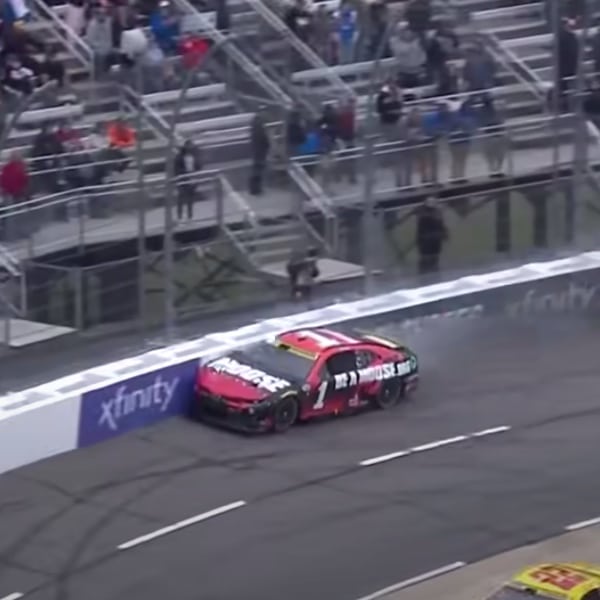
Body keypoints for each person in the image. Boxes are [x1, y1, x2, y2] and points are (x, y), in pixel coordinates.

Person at [416, 197, 447, 275]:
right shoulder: (422, 212)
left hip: (435, 238)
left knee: (435, 256)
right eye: (429, 202)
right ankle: (424, 272)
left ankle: (434, 270)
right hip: (426, 238)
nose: (431, 203)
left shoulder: (437, 212)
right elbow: (423, 221)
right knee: (426, 257)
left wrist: (444, 233)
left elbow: (441, 224)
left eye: (433, 202)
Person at [174, 139, 203, 220]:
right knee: (181, 198)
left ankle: (190, 216)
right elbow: (176, 169)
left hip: (192, 179)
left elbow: (199, 166)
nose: (191, 147)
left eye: (191, 146)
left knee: (190, 198)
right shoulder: (179, 157)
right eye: (189, 146)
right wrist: (186, 172)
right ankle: (179, 217)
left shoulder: (195, 156)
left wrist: (196, 175)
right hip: (182, 180)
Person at [249, 109, 270, 196]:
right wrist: (267, 143)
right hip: (259, 149)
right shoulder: (259, 123)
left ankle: (255, 188)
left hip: (257, 149)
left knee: (257, 168)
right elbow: (262, 136)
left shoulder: (255, 123)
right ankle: (255, 188)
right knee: (258, 169)